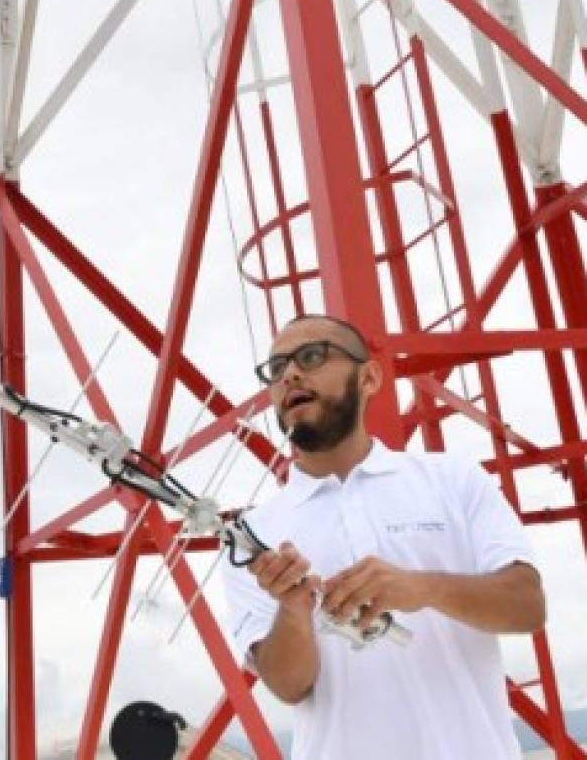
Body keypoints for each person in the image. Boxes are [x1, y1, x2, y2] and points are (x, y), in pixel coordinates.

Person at [220, 313, 545, 760]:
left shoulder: (452, 478)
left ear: (370, 377)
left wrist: (422, 587)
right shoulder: (252, 536)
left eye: (311, 356)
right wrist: (293, 611)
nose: (290, 373)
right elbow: (288, 686)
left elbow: (527, 605)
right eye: (276, 369)